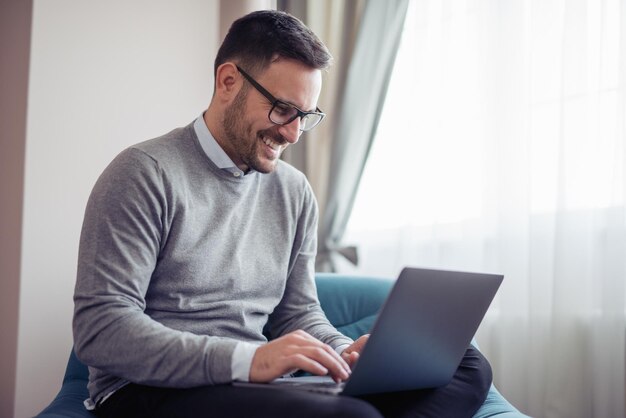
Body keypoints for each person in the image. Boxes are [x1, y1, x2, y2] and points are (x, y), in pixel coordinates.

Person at [73, 9, 492, 418]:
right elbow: (102, 328)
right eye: (282, 108)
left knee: (468, 366)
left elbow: (297, 313)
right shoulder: (144, 172)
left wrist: (340, 352)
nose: (292, 133)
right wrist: (250, 359)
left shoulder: (293, 191)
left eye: (305, 117)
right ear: (228, 81)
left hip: (258, 383)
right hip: (150, 391)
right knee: (351, 414)